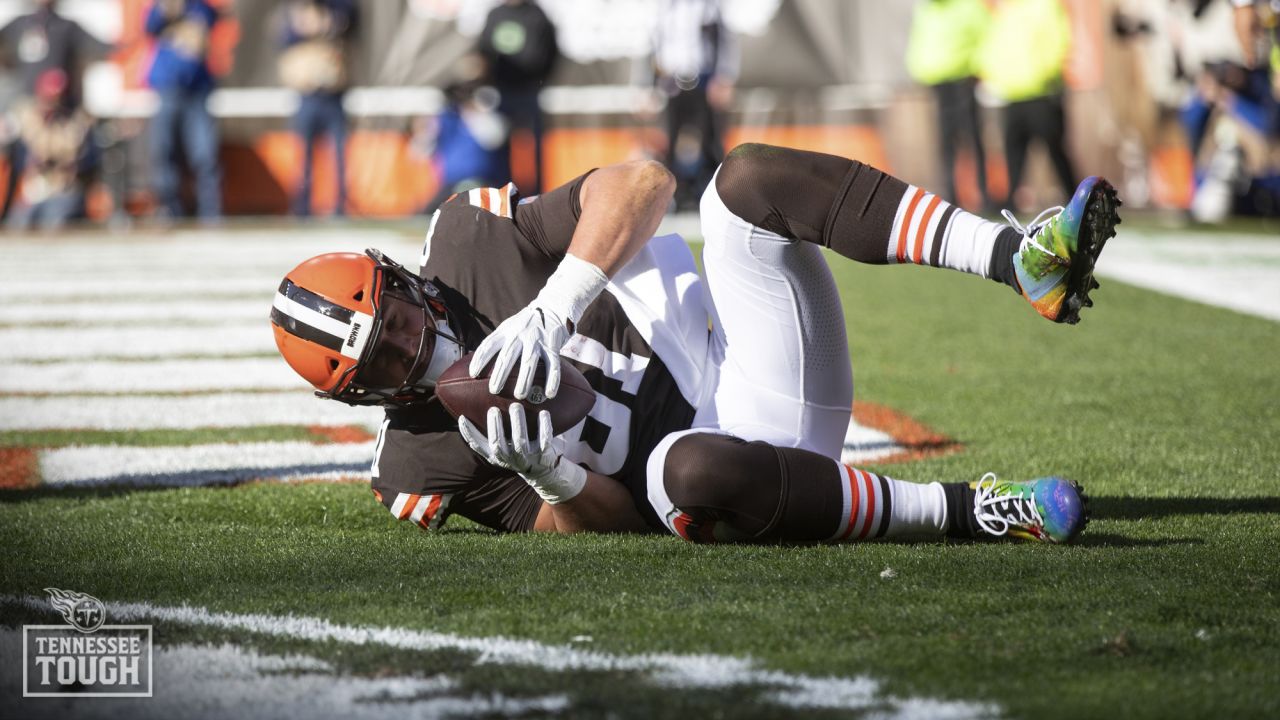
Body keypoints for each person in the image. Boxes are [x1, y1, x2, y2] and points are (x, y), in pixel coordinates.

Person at [270, 142, 1119, 543]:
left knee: (741, 183)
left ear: (402, 280)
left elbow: (642, 181)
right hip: (721, 477)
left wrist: (557, 305)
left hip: (749, 360)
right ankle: (975, 512)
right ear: (361, 396)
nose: (410, 350)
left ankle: (1019, 257)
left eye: (400, 322)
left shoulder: (468, 237)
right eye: (383, 362)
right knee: (687, 470)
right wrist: (550, 475)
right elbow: (591, 531)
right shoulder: (416, 471)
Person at [0, 0, 110, 221]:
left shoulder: (66, 27)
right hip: (30, 188)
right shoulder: (20, 25)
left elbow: (104, 49)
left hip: (60, 188)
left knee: (55, 215)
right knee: (20, 217)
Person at [977, 0, 1077, 209]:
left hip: (1041, 94)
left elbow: (1058, 40)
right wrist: (993, 76)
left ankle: (1078, 201)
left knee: (1056, 151)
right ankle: (1010, 203)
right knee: (1014, 155)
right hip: (1012, 95)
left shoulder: (1045, 6)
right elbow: (994, 47)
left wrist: (1045, 72)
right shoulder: (1006, 11)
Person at [645, 0, 738, 211]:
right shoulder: (662, 8)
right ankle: (675, 196)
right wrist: (650, 87)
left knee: (709, 141)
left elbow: (724, 42)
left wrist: (723, 77)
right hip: (671, 82)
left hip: (702, 80)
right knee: (669, 141)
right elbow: (652, 47)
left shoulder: (708, 7)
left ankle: (716, 195)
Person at [906, 0, 992, 209]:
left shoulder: (968, 6)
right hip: (938, 84)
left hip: (963, 80)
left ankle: (985, 195)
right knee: (946, 144)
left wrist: (977, 68)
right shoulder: (927, 9)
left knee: (972, 140)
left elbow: (985, 37)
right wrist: (919, 70)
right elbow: (920, 42)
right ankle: (950, 196)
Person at [143, 0, 223, 223]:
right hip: (168, 91)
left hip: (197, 93)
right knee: (165, 153)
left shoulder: (199, 7)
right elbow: (149, 25)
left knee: (205, 155)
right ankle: (170, 210)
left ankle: (210, 213)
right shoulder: (160, 7)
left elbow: (210, 20)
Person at [278, 0, 357, 218]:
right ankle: (302, 208)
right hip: (307, 96)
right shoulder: (293, 12)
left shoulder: (339, 7)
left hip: (333, 95)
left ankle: (341, 208)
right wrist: (303, 26)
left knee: (339, 157)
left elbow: (350, 22)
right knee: (303, 157)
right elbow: (284, 37)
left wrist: (329, 22)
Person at [476, 0, 558, 195]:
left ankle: (537, 195)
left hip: (529, 91)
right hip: (502, 93)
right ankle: (504, 193)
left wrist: (539, 79)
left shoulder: (536, 14)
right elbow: (483, 50)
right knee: (500, 147)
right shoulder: (496, 14)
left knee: (535, 147)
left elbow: (551, 50)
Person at [410, 58, 510, 215]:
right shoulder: (445, 115)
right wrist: (423, 130)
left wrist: (472, 110)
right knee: (426, 219)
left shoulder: (490, 109)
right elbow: (419, 153)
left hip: (484, 184)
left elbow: (495, 137)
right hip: (450, 185)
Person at [4, 67, 96, 230]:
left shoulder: (75, 120)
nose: (50, 103)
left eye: (55, 98)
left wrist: (47, 129)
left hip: (61, 188)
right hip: (31, 189)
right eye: (48, 97)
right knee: (17, 224)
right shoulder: (24, 113)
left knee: (53, 222)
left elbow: (65, 150)